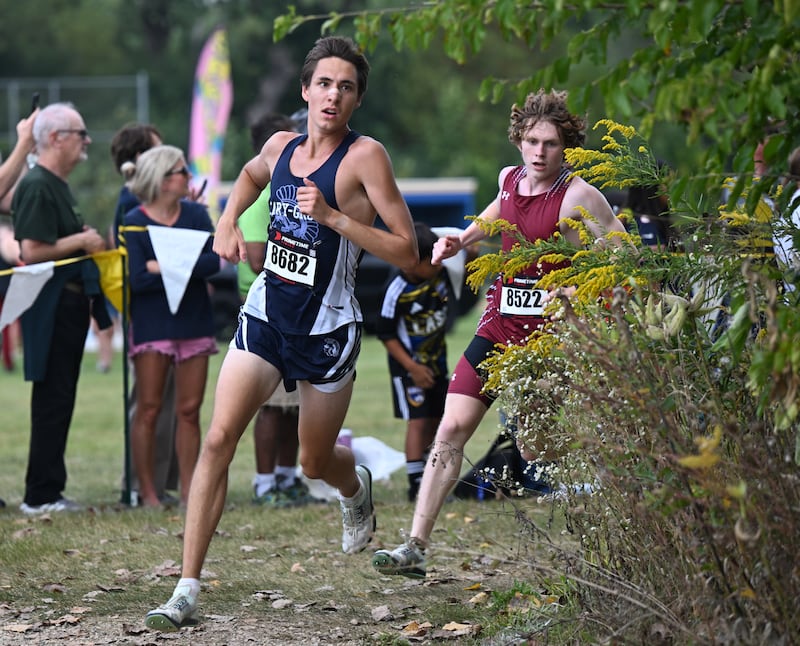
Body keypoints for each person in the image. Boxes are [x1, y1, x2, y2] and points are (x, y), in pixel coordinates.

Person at [144, 35, 418, 631]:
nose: (333, 95)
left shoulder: (366, 157)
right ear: (305, 90)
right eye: (324, 83)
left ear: (356, 100)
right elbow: (247, 175)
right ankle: (186, 587)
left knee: (314, 461)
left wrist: (335, 218)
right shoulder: (280, 145)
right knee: (218, 440)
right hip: (267, 313)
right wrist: (224, 218)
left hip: (328, 328)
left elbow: (407, 250)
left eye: (346, 87)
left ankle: (355, 486)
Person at [371, 89, 625, 579]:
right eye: (531, 141)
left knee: (535, 450)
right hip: (499, 327)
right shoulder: (510, 179)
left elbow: (624, 252)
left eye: (550, 143)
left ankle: (604, 486)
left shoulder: (577, 195)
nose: (538, 152)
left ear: (565, 145)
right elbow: (494, 216)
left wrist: (575, 286)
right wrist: (459, 239)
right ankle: (415, 546)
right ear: (519, 141)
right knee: (450, 427)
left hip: (548, 339)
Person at [12, 102, 109, 515]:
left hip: (66, 305)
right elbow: (31, 251)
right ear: (54, 138)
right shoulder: (36, 184)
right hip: (50, 307)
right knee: (52, 399)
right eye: (80, 133)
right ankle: (40, 495)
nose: (86, 141)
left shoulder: (55, 183)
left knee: (61, 397)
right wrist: (83, 241)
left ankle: (50, 489)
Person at [124, 145, 219, 508]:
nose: (189, 178)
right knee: (148, 409)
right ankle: (148, 492)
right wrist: (183, 262)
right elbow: (136, 278)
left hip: (195, 321)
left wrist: (158, 265)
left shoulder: (196, 214)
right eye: (183, 171)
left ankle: (190, 492)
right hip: (152, 325)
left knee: (190, 412)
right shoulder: (134, 219)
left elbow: (214, 261)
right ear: (164, 180)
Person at [237, 112, 313, 507]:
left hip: (299, 311)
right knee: (270, 405)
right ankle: (265, 483)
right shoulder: (261, 194)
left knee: (293, 404)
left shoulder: (294, 189)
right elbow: (254, 259)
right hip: (268, 310)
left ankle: (288, 477)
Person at [110, 123, 180, 506]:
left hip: (173, 309)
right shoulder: (129, 202)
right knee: (148, 400)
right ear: (139, 160)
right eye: (159, 151)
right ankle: (138, 482)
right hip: (147, 311)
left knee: (169, 401)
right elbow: (137, 260)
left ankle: (163, 480)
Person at [376, 222, 451, 502]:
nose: (438, 264)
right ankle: (415, 483)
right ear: (410, 262)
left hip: (437, 364)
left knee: (437, 419)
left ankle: (430, 475)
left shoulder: (441, 276)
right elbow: (384, 333)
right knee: (418, 421)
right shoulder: (396, 289)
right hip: (409, 369)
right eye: (430, 261)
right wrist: (412, 368)